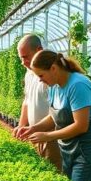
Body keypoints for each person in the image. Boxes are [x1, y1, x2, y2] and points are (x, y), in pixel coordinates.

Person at [20, 50, 91, 181]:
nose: (40, 80)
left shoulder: (78, 85)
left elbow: (81, 126)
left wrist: (47, 136)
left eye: (41, 75)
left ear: (53, 68)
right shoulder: (54, 87)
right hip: (67, 148)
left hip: (87, 148)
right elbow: (53, 117)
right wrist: (33, 128)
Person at [11, 34, 62, 172]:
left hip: (52, 136)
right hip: (36, 134)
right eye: (20, 57)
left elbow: (57, 111)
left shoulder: (50, 74)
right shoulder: (29, 73)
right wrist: (21, 126)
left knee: (56, 174)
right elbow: (27, 101)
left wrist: (38, 130)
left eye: (25, 57)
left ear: (39, 50)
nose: (23, 62)